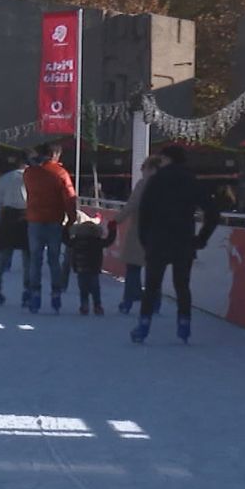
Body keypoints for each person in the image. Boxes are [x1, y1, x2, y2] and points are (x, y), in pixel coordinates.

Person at [133, 145, 221, 343]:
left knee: (152, 285)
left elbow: (144, 212)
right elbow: (213, 214)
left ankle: (143, 326)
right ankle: (184, 325)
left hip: (158, 240)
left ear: (167, 159)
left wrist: (145, 239)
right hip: (184, 241)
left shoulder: (156, 181)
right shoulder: (192, 181)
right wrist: (201, 239)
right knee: (182, 286)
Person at [23, 142, 77, 313]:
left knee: (35, 259)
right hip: (54, 220)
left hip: (34, 220)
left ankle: (35, 293)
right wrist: (71, 219)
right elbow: (69, 197)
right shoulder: (60, 173)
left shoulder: (29, 173)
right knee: (54, 259)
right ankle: (55, 293)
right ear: (55, 155)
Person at [115, 156, 162, 314]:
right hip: (159, 232)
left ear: (151, 169)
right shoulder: (166, 185)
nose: (142, 171)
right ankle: (155, 302)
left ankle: (130, 299)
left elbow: (132, 205)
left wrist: (116, 220)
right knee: (154, 270)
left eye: (144, 168)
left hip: (139, 231)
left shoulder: (144, 184)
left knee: (133, 268)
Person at [0, 155, 30, 307]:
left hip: (8, 217)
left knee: (4, 254)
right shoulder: (31, 178)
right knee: (28, 256)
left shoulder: (5, 178)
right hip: (26, 216)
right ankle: (28, 289)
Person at [64, 216, 118, 315]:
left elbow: (65, 239)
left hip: (80, 268)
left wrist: (66, 226)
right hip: (94, 268)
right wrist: (112, 230)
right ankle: (97, 306)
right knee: (95, 289)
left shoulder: (76, 241)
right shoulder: (97, 241)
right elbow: (109, 241)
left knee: (83, 289)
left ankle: (84, 305)